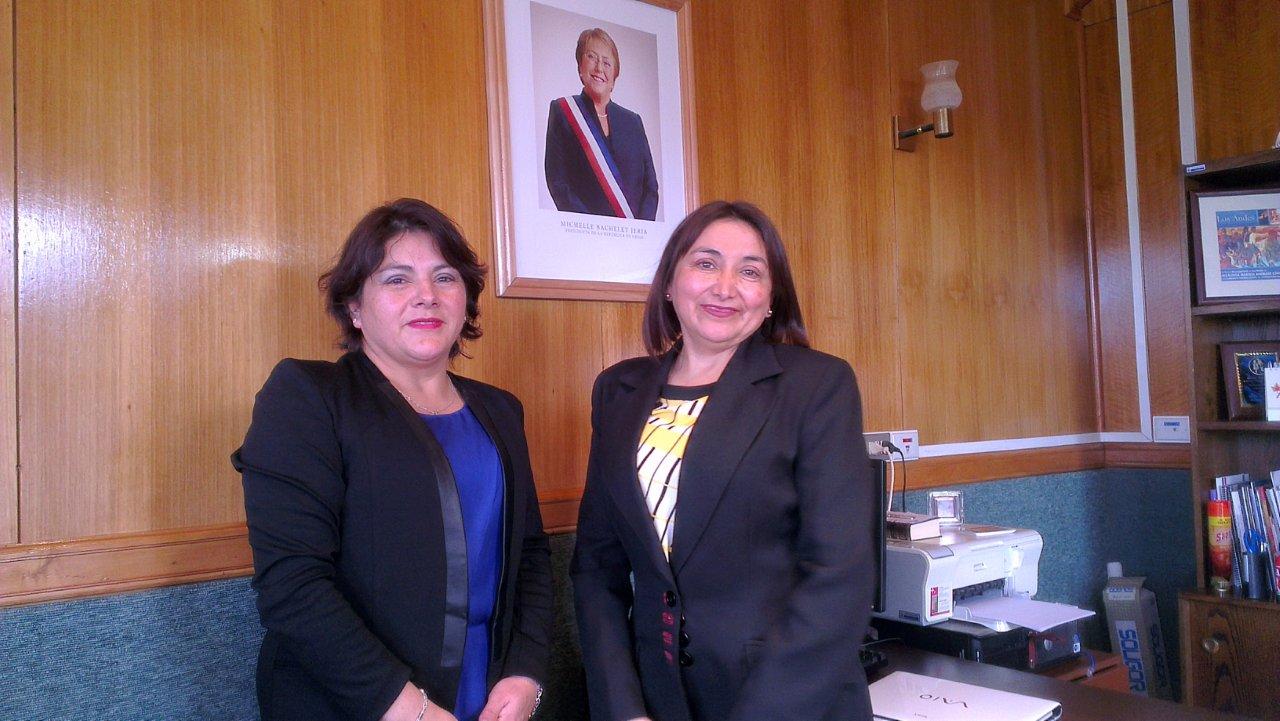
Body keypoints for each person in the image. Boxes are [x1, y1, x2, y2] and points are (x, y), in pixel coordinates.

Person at [232, 199, 552, 721]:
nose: (427, 295)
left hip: (490, 697)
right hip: (356, 702)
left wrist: (527, 672)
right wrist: (408, 709)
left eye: (444, 277)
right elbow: (293, 583)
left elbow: (531, 554)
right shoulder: (308, 396)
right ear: (355, 309)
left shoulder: (500, 410)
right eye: (397, 279)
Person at [571, 200, 877, 721]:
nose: (725, 286)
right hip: (656, 698)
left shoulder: (817, 386)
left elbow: (838, 576)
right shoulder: (617, 390)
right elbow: (597, 567)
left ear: (771, 298)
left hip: (786, 700)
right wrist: (624, 707)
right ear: (670, 282)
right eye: (706, 263)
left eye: (750, 271)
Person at [545, 27, 659, 221]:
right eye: (591, 57)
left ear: (615, 75)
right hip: (584, 232)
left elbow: (650, 187)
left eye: (606, 63)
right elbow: (558, 182)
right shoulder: (563, 111)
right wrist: (591, 227)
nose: (599, 68)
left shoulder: (633, 122)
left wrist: (641, 229)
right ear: (580, 66)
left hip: (633, 235)